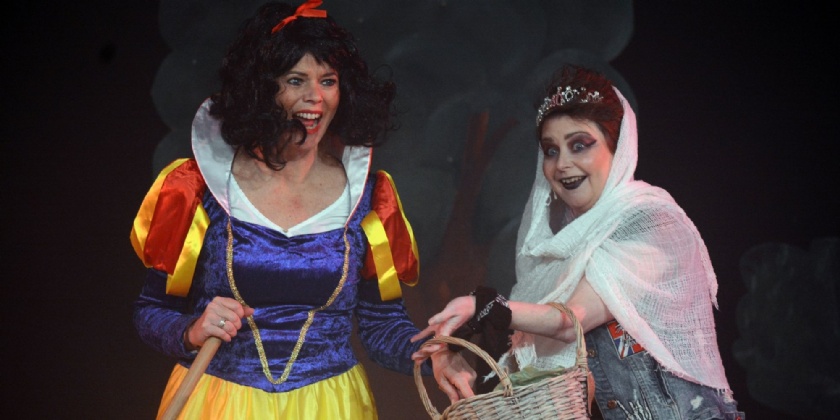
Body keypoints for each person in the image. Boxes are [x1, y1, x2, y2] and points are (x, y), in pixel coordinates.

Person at [130, 1, 464, 418]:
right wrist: (190, 330)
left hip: (330, 407)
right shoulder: (200, 190)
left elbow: (382, 325)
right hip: (221, 403)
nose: (315, 98)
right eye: (295, 80)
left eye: (328, 81)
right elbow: (151, 311)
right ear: (263, 89)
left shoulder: (367, 200)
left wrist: (433, 355)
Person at [411, 65, 745, 419]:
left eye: (580, 145)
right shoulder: (558, 255)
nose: (562, 164)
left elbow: (569, 321)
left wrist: (484, 307)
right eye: (551, 150)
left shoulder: (649, 221)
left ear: (617, 148)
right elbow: (524, 353)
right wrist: (454, 344)